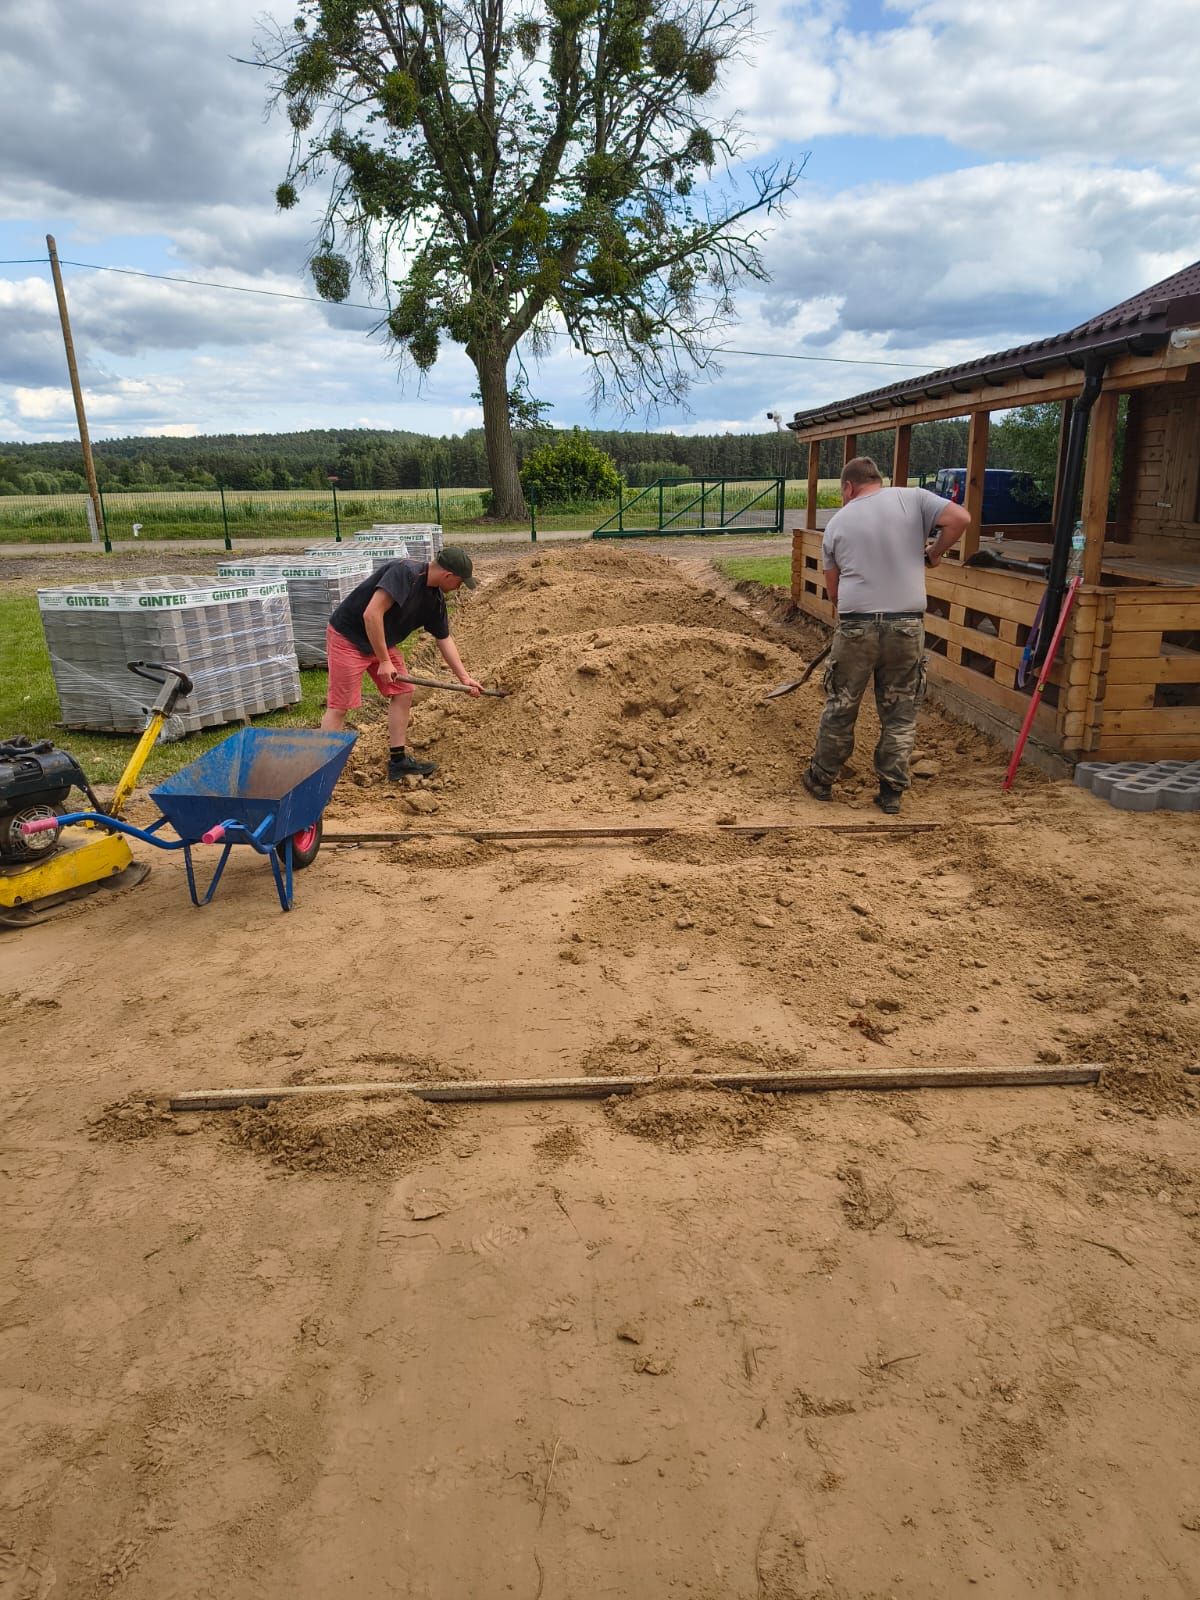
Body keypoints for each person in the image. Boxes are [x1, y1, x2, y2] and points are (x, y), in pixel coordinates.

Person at [802, 457, 971, 814]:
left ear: (849, 487)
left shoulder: (837, 523)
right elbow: (960, 519)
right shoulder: (914, 499)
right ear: (878, 480)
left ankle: (821, 780)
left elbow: (833, 590)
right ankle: (892, 792)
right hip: (906, 626)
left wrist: (853, 617)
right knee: (900, 711)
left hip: (856, 626)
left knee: (841, 705)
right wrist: (934, 553)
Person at [321, 546, 483, 781]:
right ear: (448, 575)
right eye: (460, 582)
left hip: (382, 641)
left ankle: (398, 762)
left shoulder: (435, 600)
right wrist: (384, 661)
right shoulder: (404, 573)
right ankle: (321, 775)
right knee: (340, 706)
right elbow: (371, 614)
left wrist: (464, 678)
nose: (459, 587)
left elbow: (444, 639)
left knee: (403, 692)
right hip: (349, 638)